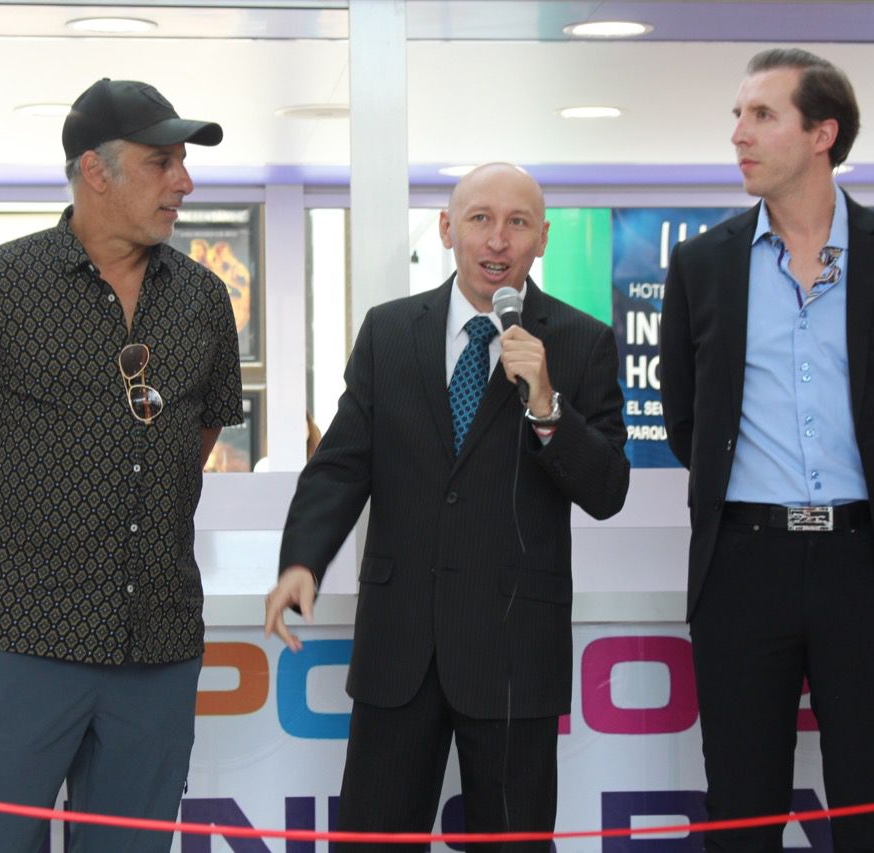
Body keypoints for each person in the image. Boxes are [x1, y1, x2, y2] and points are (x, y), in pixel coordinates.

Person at [0, 78, 242, 853]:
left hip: (157, 638)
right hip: (23, 632)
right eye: (161, 162)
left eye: (184, 163)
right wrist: (34, 516)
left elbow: (193, 437)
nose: (184, 182)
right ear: (96, 170)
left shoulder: (202, 299)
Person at [265, 163, 630, 851]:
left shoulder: (580, 341)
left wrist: (548, 405)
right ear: (445, 229)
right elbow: (341, 464)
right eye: (479, 219)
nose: (498, 239)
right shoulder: (389, 331)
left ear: (543, 237)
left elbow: (608, 489)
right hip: (399, 643)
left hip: (514, 649)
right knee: (372, 843)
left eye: (518, 222)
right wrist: (301, 560)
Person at [659, 49, 874, 851]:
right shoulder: (701, 264)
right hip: (741, 566)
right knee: (741, 813)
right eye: (737, 115)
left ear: (822, 133)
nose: (739, 134)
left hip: (868, 566)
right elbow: (686, 418)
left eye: (762, 115)